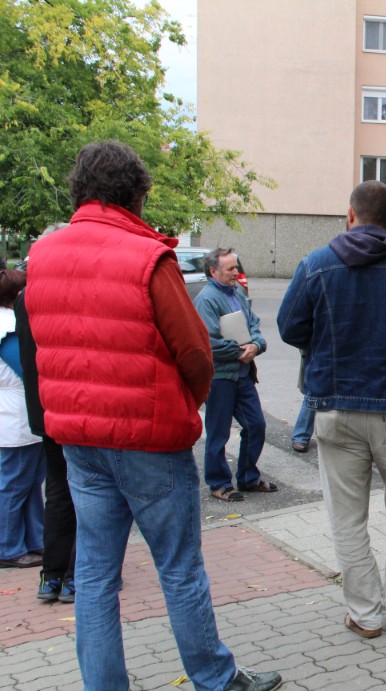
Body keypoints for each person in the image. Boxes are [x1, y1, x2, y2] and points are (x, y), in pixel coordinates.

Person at [24, 140, 280, 691]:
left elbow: (46, 339)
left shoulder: (42, 255)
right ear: (136, 195)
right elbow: (194, 351)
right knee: (179, 568)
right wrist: (187, 402)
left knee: (95, 574)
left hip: (79, 436)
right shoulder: (148, 258)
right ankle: (216, 679)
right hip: (149, 439)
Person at [278, 180, 386, 638]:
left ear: (350, 215)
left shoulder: (315, 265)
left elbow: (289, 327)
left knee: (346, 515)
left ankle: (365, 614)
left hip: (335, 407)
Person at [195, 248, 277, 502]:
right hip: (220, 377)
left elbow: (254, 325)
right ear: (213, 271)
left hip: (243, 374)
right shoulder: (206, 300)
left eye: (236, 267)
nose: (236, 272)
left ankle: (248, 478)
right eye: (230, 268)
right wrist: (241, 350)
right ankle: (219, 483)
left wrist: (256, 345)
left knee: (256, 425)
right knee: (218, 432)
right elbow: (208, 342)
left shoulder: (237, 293)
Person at [14, 275, 77, 602]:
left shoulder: (27, 296)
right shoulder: (70, 293)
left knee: (58, 492)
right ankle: (73, 575)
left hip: (45, 409)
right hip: (73, 409)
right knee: (86, 494)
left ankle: (52, 576)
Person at [0, 269, 45, 571]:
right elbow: (28, 368)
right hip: (16, 416)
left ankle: (34, 540)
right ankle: (7, 547)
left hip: (18, 414)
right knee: (15, 485)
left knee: (27, 484)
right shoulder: (8, 326)